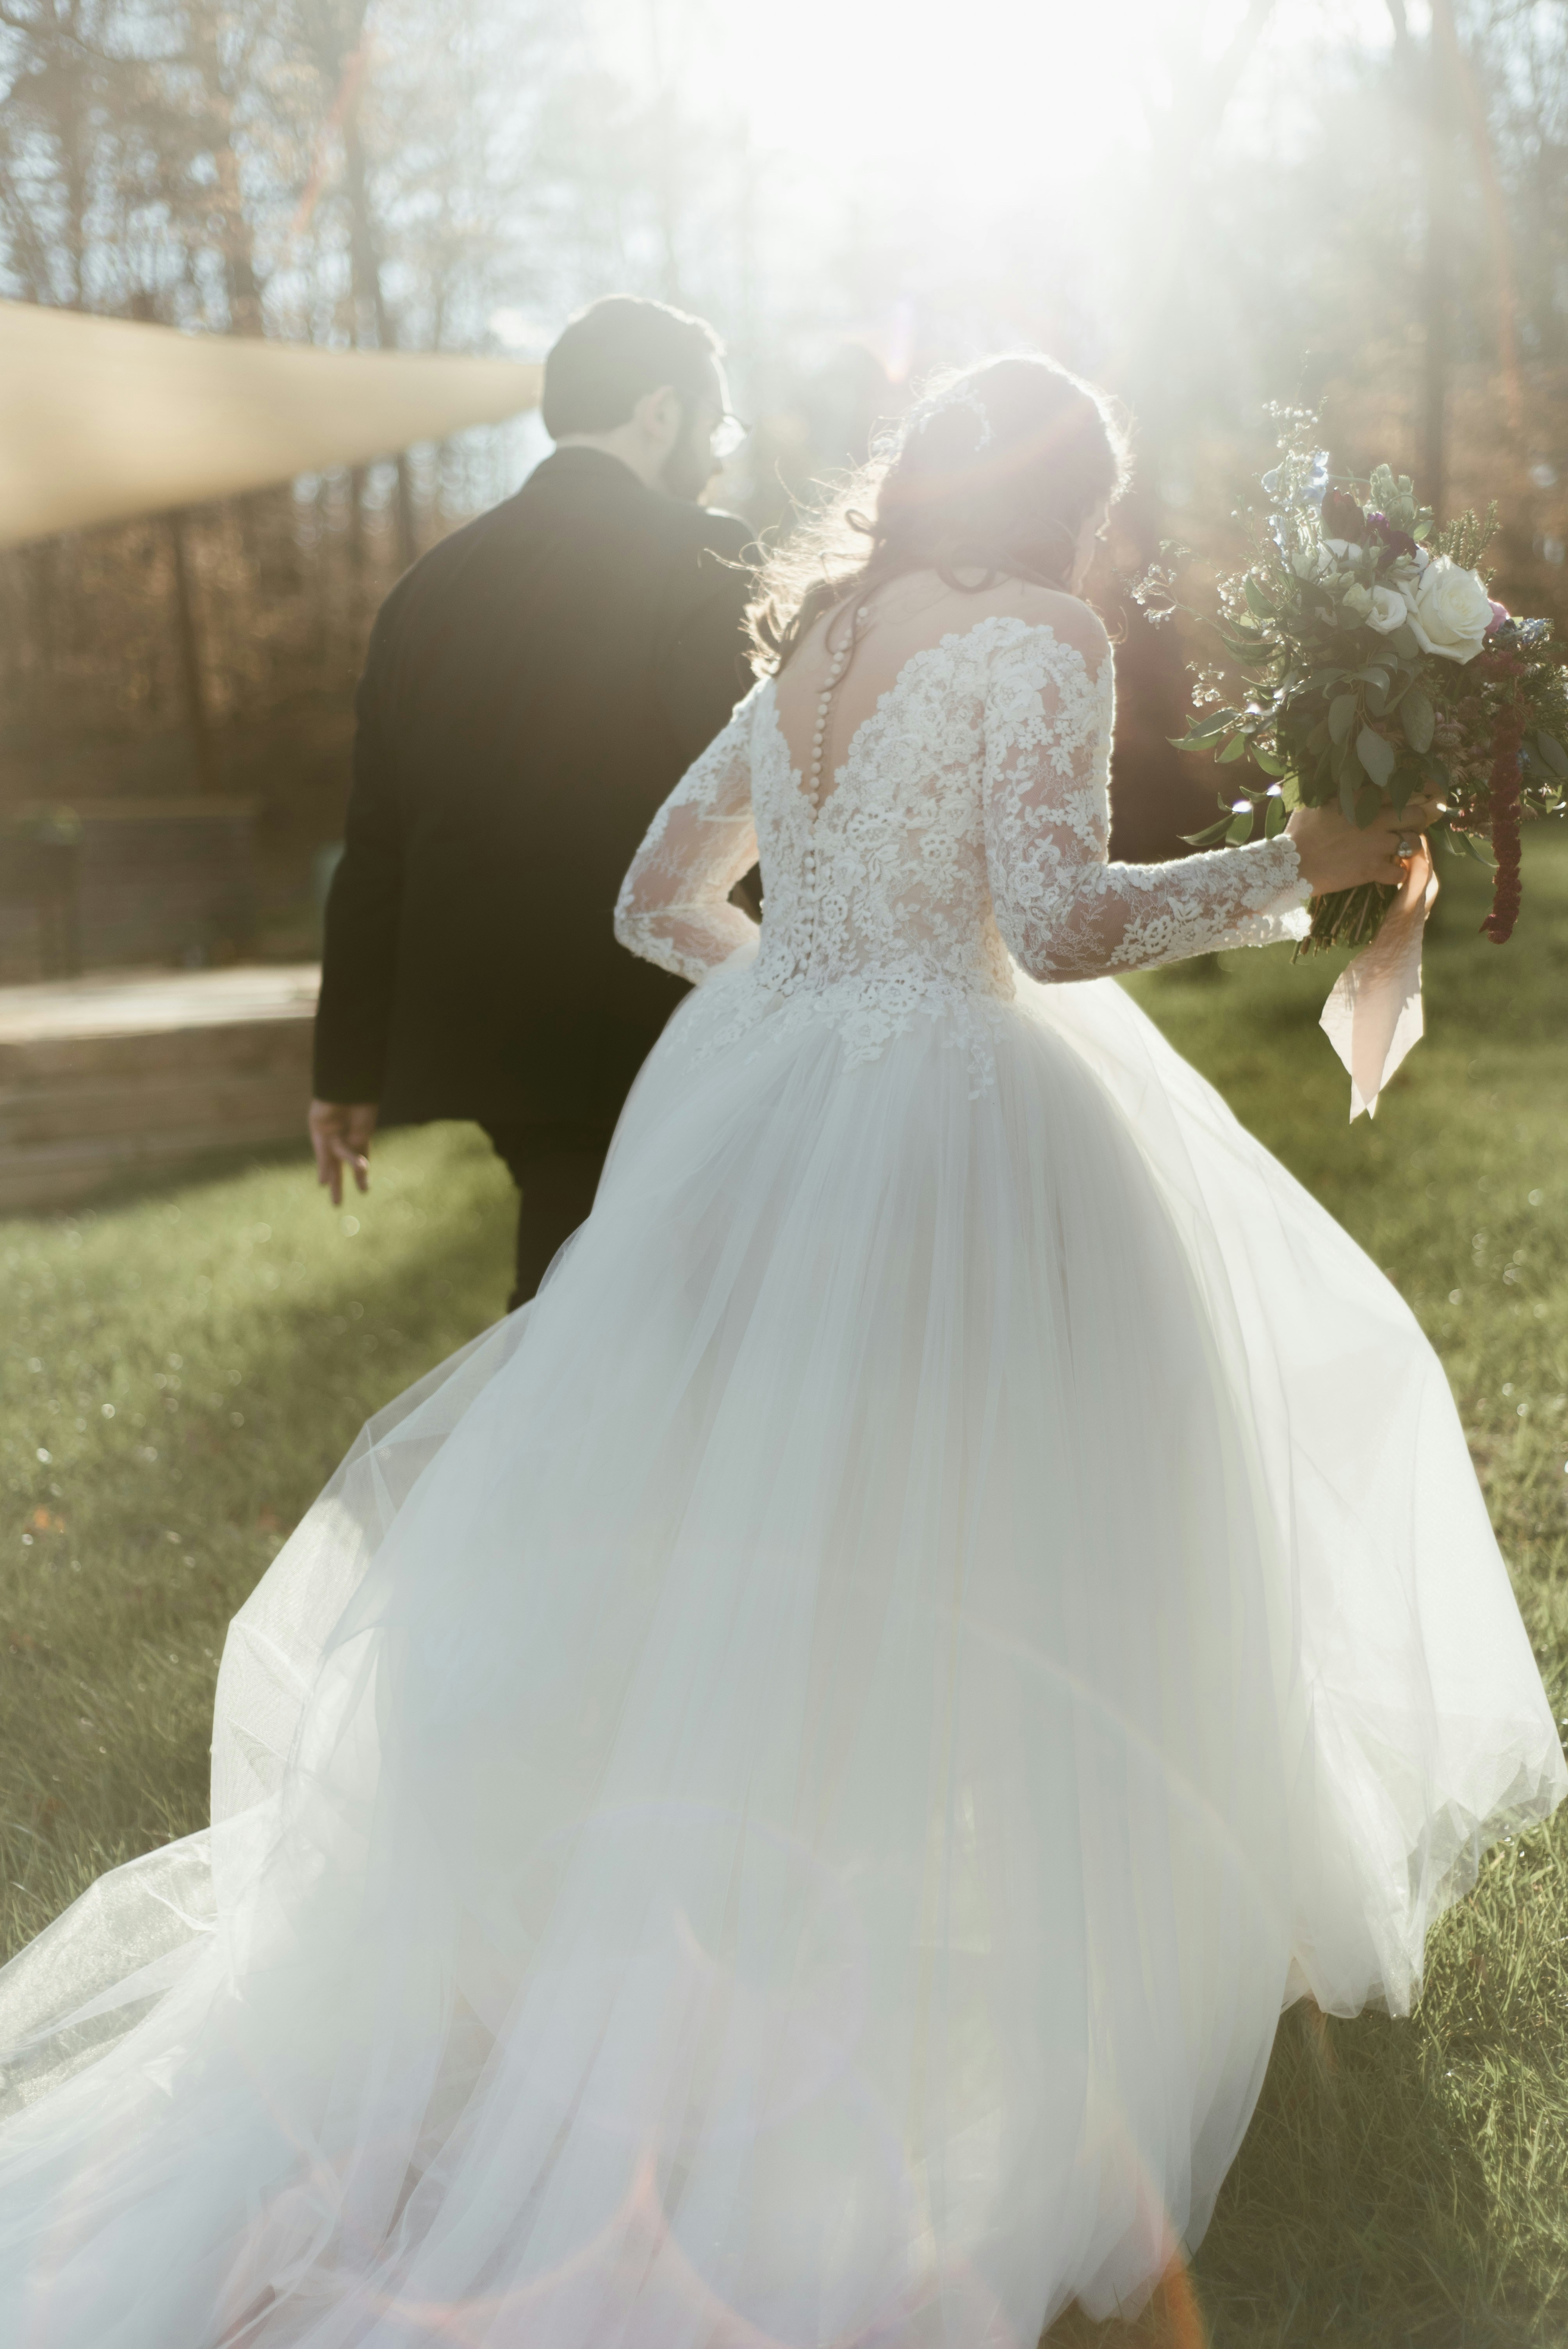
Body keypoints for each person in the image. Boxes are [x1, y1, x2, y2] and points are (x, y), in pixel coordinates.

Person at [1, 356, 1562, 2347]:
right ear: (1072, 503)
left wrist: (809, 1003)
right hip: (951, 1133)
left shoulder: (816, 639)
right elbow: (1062, 927)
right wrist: (1305, 868)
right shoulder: (1048, 633)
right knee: (1034, 1544)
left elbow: (658, 898)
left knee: (753, 1552)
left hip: (763, 1108)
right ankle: (1005, 1966)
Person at [310, 294, 754, 1309]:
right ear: (661, 412)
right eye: (716, 423)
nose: (720, 454)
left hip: (494, 1030)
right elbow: (754, 795)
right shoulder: (706, 553)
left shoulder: (425, 590)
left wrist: (345, 1067)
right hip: (662, 1004)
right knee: (672, 1313)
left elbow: (374, 850)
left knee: (577, 1283)